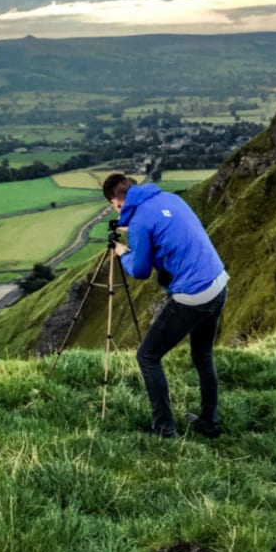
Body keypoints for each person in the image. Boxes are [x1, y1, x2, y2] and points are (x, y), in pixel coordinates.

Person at [102, 173, 229, 438]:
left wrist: (122, 252)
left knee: (147, 356)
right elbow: (164, 226)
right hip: (218, 282)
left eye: (113, 207)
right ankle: (209, 422)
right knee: (203, 356)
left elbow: (139, 270)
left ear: (116, 203)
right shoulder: (170, 198)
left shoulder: (138, 222)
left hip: (192, 295)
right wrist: (134, 230)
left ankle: (164, 429)